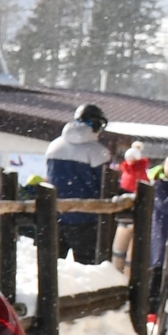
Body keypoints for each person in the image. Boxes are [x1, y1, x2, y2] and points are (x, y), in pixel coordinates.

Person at [45, 102, 113, 265]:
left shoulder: (54, 145)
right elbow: (106, 186)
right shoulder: (98, 151)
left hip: (56, 215)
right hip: (87, 218)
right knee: (87, 269)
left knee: (50, 266)